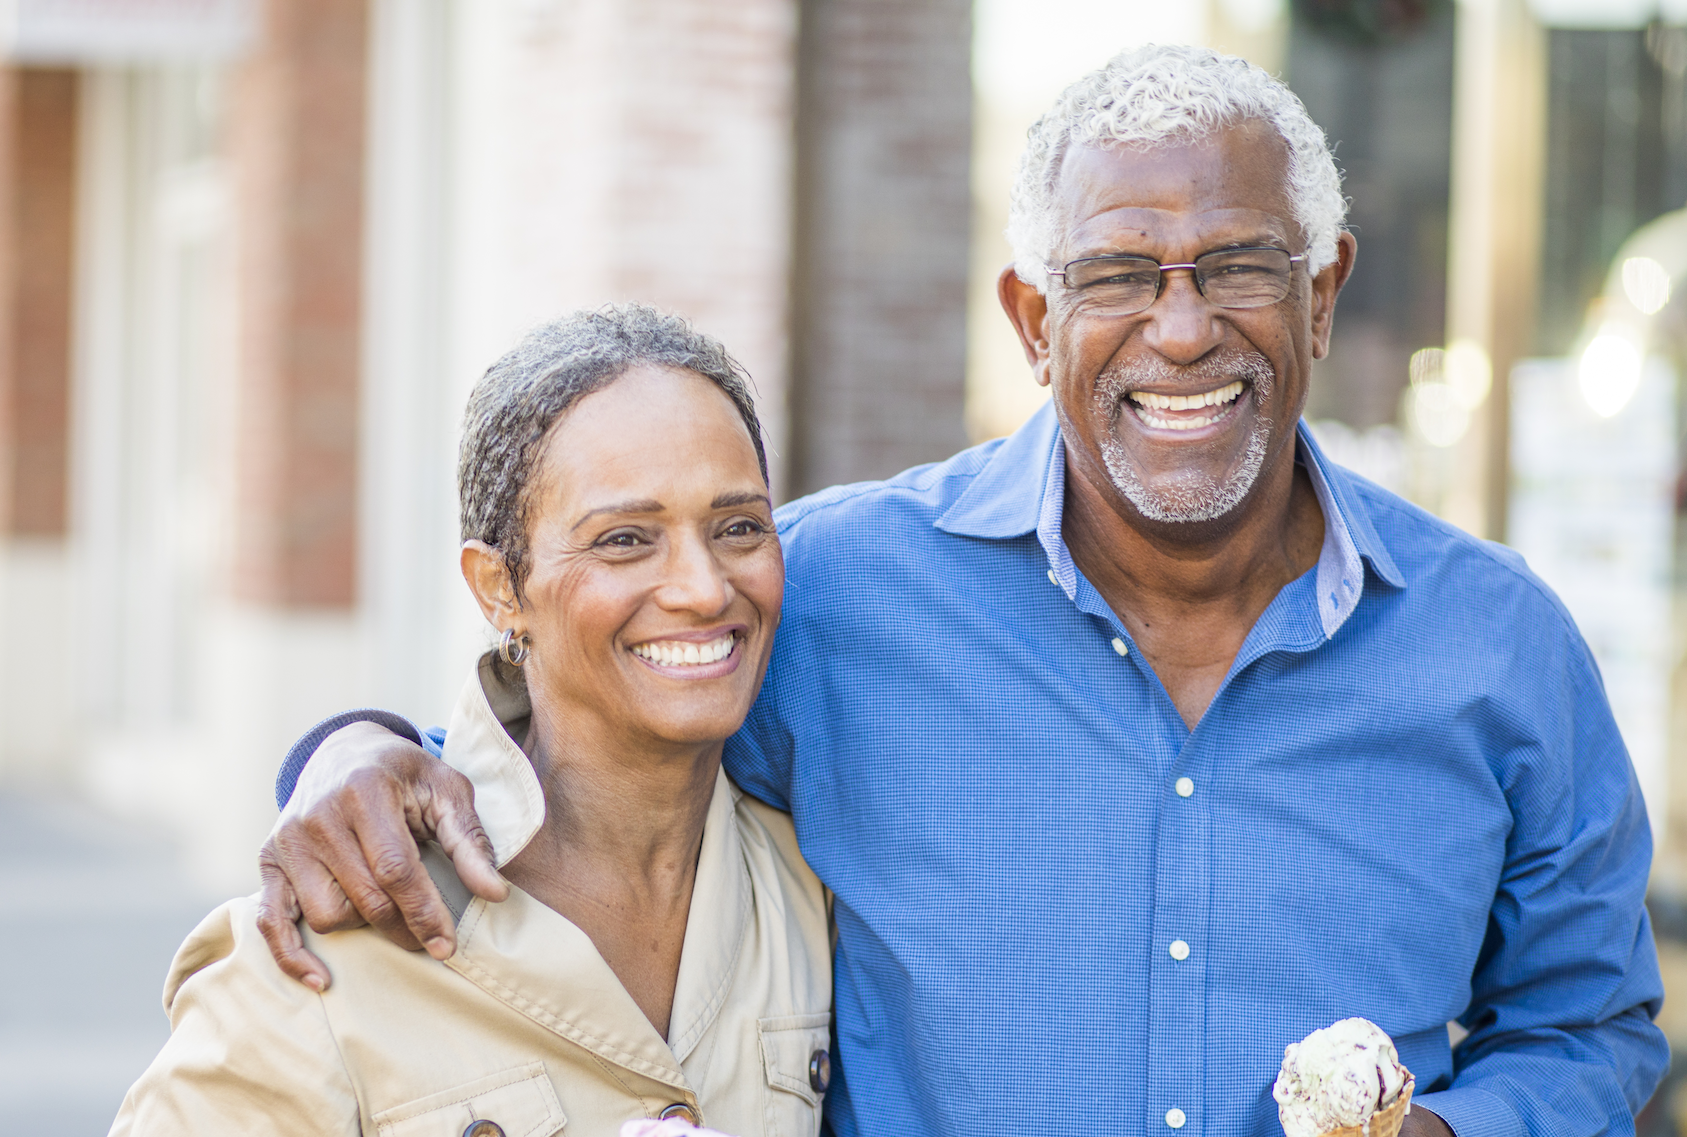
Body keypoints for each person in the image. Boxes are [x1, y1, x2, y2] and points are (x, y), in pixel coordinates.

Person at [259, 45, 1668, 1137]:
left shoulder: (1498, 648)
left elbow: (1589, 1026)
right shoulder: (834, 597)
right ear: (1028, 317)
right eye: (1116, 275)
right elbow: (566, 754)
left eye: (1238, 267)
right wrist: (355, 749)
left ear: (1319, 294)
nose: (1179, 329)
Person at [111, 307, 833, 1136]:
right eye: (626, 539)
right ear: (497, 588)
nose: (705, 588)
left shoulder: (810, 888)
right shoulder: (321, 941)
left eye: (738, 526)